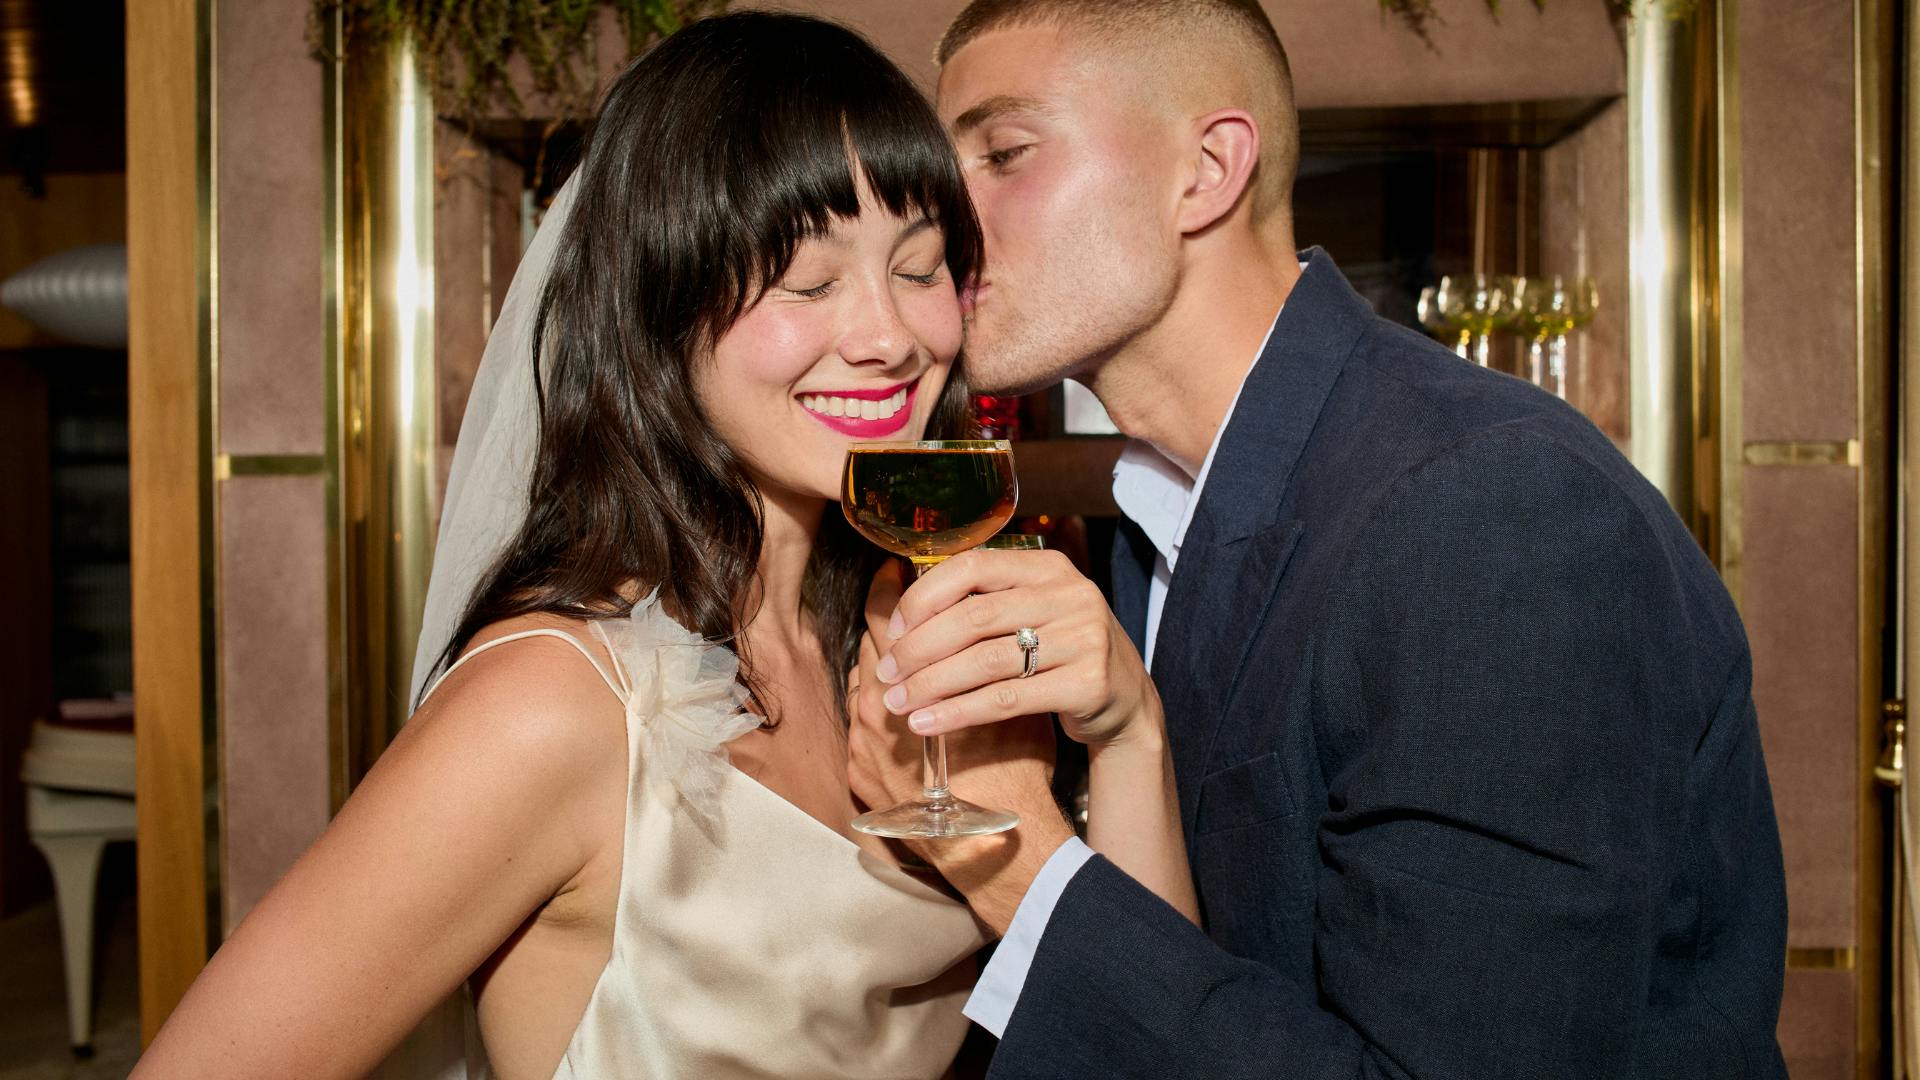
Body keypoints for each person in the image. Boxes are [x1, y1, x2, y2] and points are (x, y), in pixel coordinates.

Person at [847, 1, 1791, 1076]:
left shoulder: (1487, 510)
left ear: (1208, 171)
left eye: (1004, 153)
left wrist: (1021, 866)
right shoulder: (1164, 509)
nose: (942, 219)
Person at [133, 13, 1064, 1078]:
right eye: (809, 283)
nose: (890, 337)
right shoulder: (551, 703)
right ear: (659, 307)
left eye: (921, 268)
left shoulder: (879, 642)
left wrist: (1125, 731)